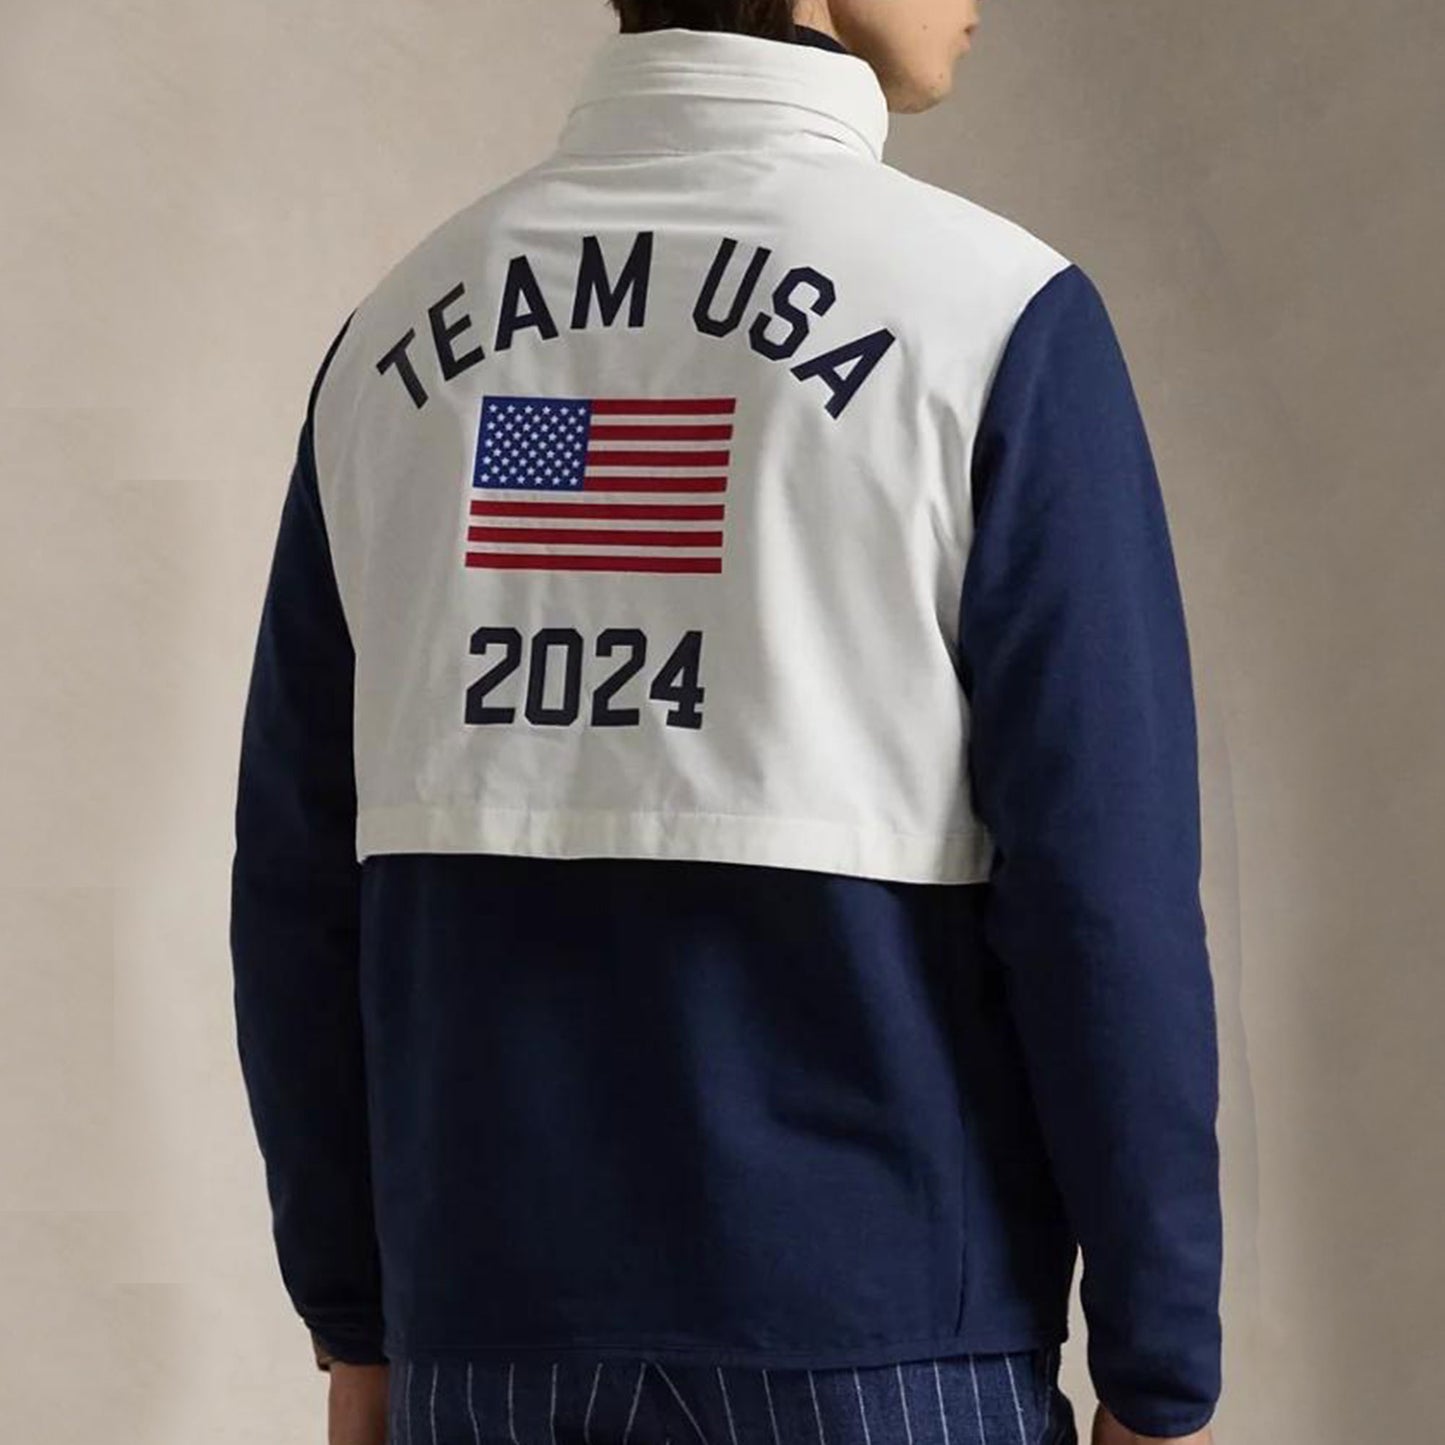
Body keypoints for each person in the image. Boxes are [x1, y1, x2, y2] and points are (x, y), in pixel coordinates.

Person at [229, 3, 1224, 1444]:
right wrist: (1158, 1369)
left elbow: (298, 880)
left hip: (483, 1351)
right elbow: (1100, 892)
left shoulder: (393, 333)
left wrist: (359, 1325)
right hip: (890, 1355)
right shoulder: (992, 316)